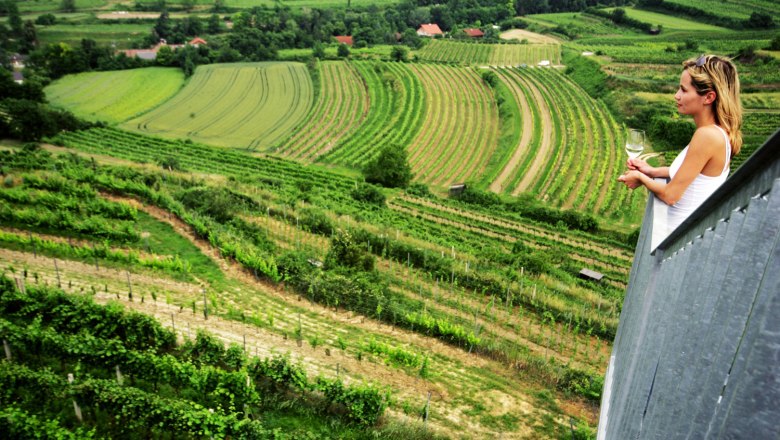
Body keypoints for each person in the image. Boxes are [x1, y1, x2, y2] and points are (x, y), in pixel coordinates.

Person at [618, 54, 742, 236]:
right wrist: (650, 171)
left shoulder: (706, 136)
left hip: (672, 237)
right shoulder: (717, 133)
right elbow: (692, 175)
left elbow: (670, 195)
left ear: (708, 97)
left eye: (684, 90)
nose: (676, 96)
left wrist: (640, 178)